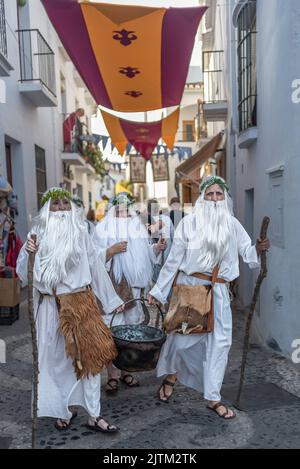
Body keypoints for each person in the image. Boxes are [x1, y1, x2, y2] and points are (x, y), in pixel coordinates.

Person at [148, 176, 270, 419]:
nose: (215, 199)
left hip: (220, 292)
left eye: (219, 194)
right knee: (181, 341)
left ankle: (213, 397)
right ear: (202, 198)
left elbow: (247, 251)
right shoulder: (188, 224)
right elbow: (173, 262)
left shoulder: (232, 224)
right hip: (191, 288)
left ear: (225, 198)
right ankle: (172, 375)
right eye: (210, 194)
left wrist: (258, 248)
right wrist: (157, 291)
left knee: (220, 345)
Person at [16, 187, 124, 433]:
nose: (61, 208)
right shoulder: (36, 233)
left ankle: (94, 415)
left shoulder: (81, 232)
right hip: (51, 309)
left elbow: (96, 266)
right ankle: (63, 409)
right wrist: (28, 253)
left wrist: (110, 300)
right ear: (47, 209)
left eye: (65, 203)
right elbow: (24, 273)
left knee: (91, 362)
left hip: (82, 304)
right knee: (57, 363)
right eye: (55, 204)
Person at [96, 192, 166, 393]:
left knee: (131, 331)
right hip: (111, 290)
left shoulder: (138, 231)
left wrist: (156, 249)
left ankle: (127, 370)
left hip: (133, 291)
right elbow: (92, 259)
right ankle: (112, 375)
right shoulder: (101, 230)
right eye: (119, 211)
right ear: (112, 211)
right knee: (112, 331)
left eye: (127, 211)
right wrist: (111, 251)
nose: (123, 215)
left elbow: (144, 256)